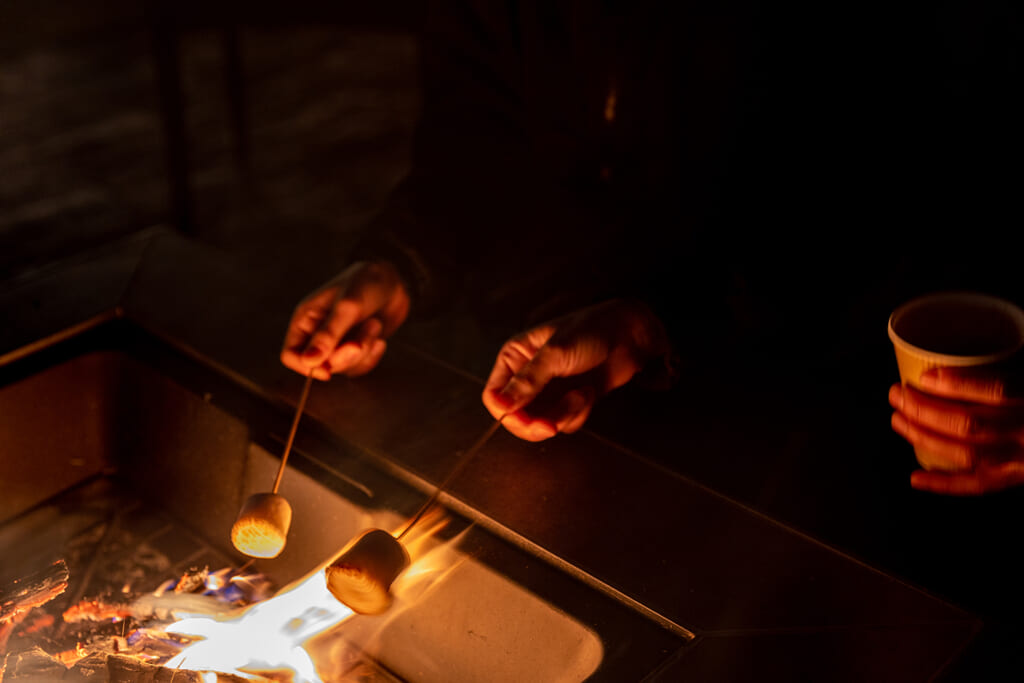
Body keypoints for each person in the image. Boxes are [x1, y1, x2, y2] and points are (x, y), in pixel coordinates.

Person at [281, 0, 1024, 491]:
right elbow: (474, 140)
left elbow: (863, 196)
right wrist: (399, 262)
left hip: (812, 409)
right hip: (576, 391)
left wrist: (661, 322)